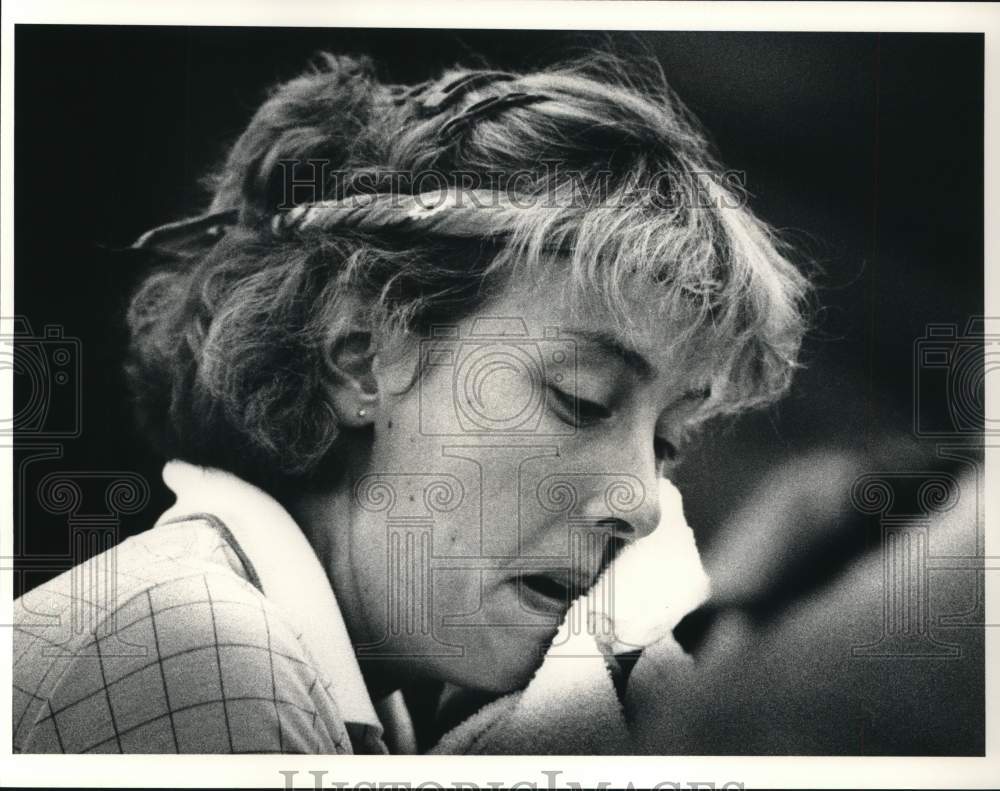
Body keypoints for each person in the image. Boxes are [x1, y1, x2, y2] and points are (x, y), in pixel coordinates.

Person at [12, 49, 809, 754]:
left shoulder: (359, 710)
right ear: (360, 355)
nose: (642, 504)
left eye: (669, 439)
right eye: (583, 398)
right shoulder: (194, 650)